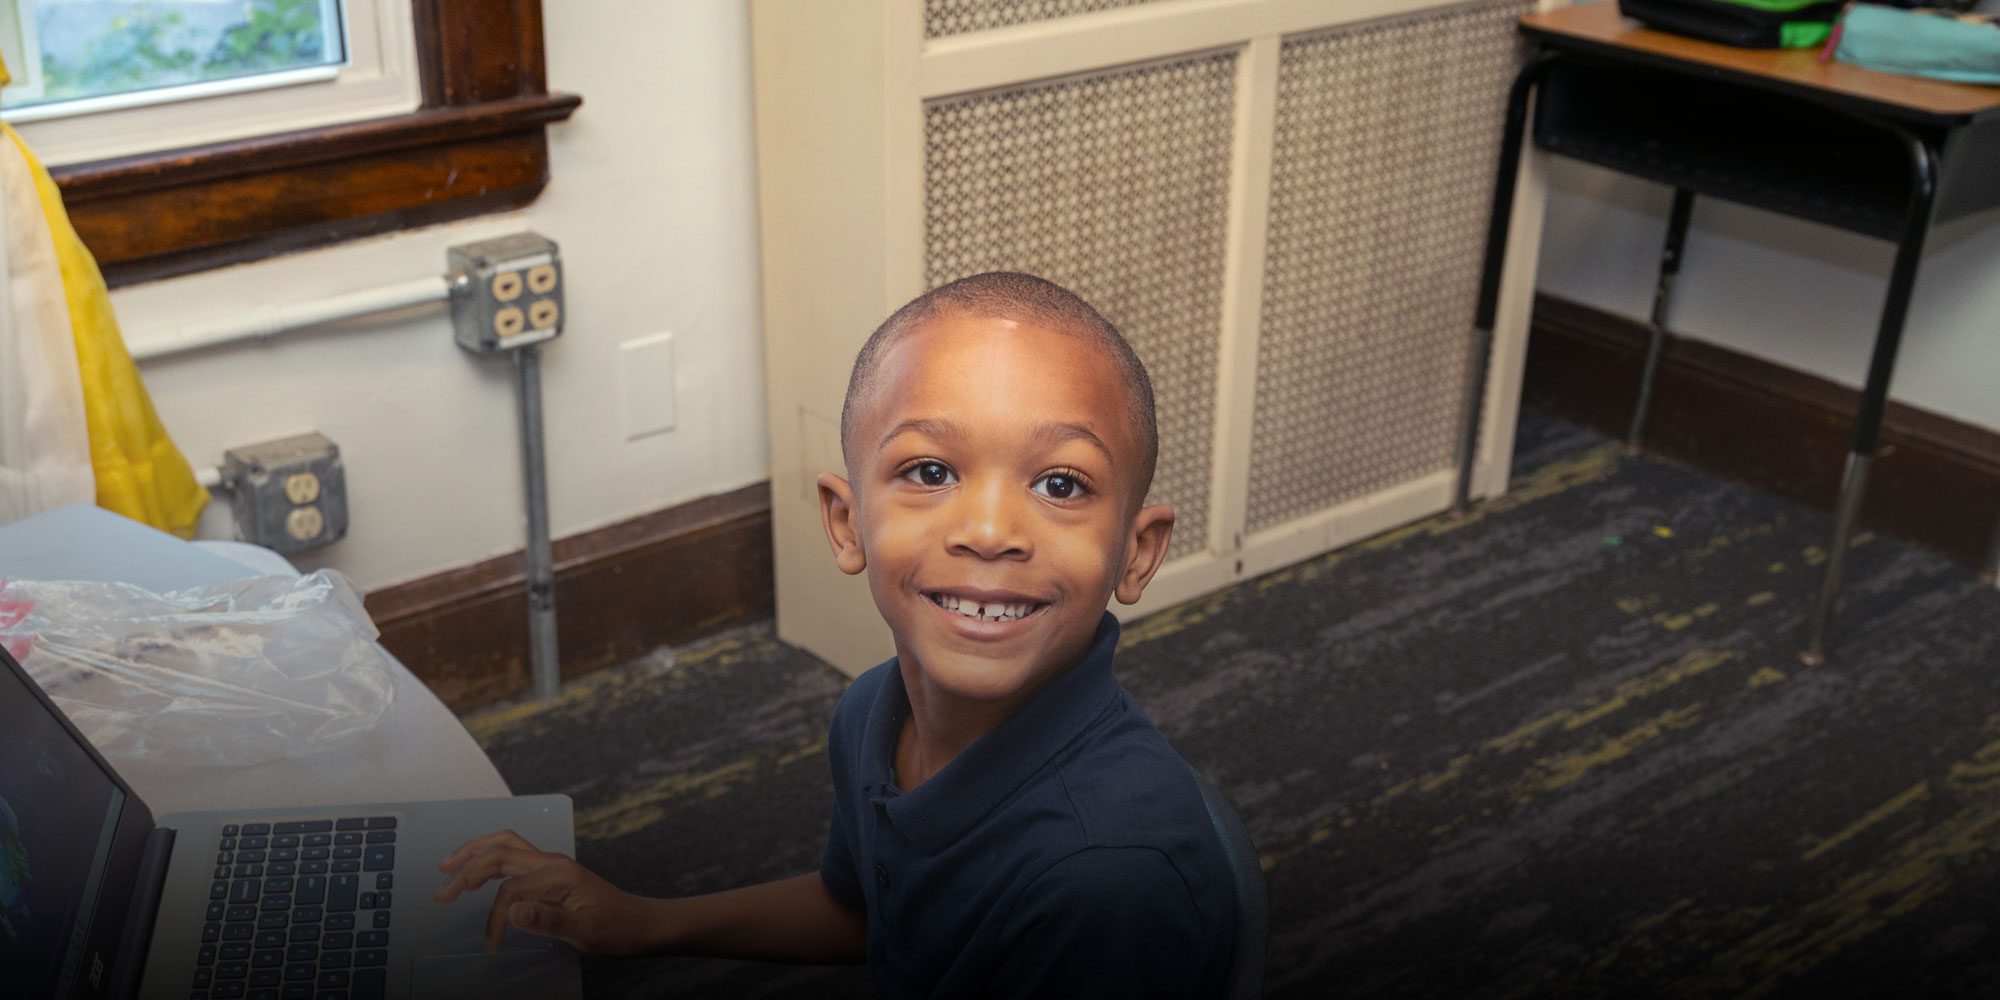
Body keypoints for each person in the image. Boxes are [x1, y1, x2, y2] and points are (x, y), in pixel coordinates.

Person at [435, 272, 1238, 997]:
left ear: (1135, 553)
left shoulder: (1107, 883)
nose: (991, 531)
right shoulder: (871, 713)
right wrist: (643, 922)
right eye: (930, 472)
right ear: (847, 523)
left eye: (1061, 484)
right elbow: (872, 916)